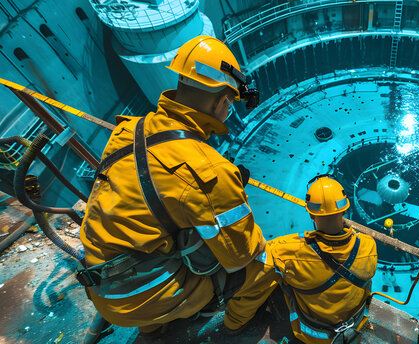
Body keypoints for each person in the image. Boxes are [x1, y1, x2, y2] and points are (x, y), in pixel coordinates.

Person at [77, 35, 265, 334]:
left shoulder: (129, 131)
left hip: (101, 284)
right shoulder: (210, 169)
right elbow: (239, 256)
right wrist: (229, 192)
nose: (228, 110)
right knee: (263, 268)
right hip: (140, 297)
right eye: (229, 102)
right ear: (221, 99)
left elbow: (156, 191)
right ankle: (225, 327)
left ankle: (152, 328)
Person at [224, 175, 377, 344]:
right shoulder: (368, 245)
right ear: (344, 210)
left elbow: (253, 291)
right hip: (354, 325)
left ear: (311, 214)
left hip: (310, 335)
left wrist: (233, 325)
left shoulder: (285, 251)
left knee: (274, 277)